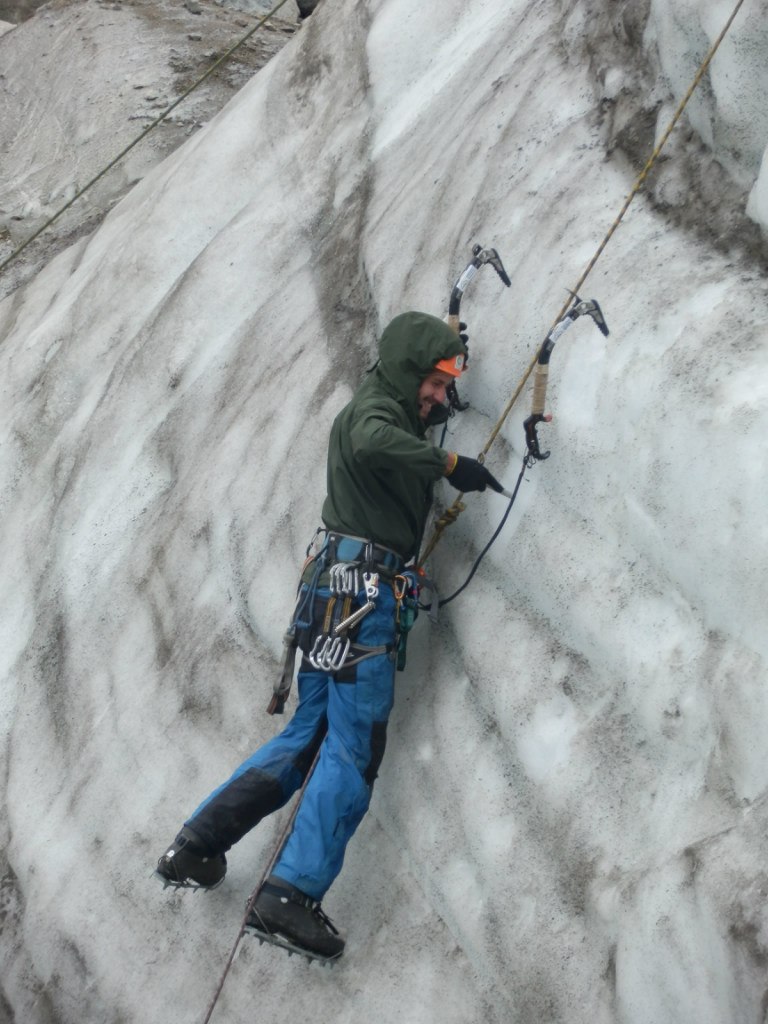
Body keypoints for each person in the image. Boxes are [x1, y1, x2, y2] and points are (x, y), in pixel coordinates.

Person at [156, 310, 503, 958]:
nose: (436, 396)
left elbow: (395, 420)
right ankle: (289, 894)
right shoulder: (372, 414)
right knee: (351, 747)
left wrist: (448, 348)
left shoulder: (393, 409)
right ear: (405, 371)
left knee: (305, 734)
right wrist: (449, 461)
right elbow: (369, 438)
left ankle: (197, 845)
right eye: (430, 382)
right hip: (361, 600)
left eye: (442, 386)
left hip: (327, 598)